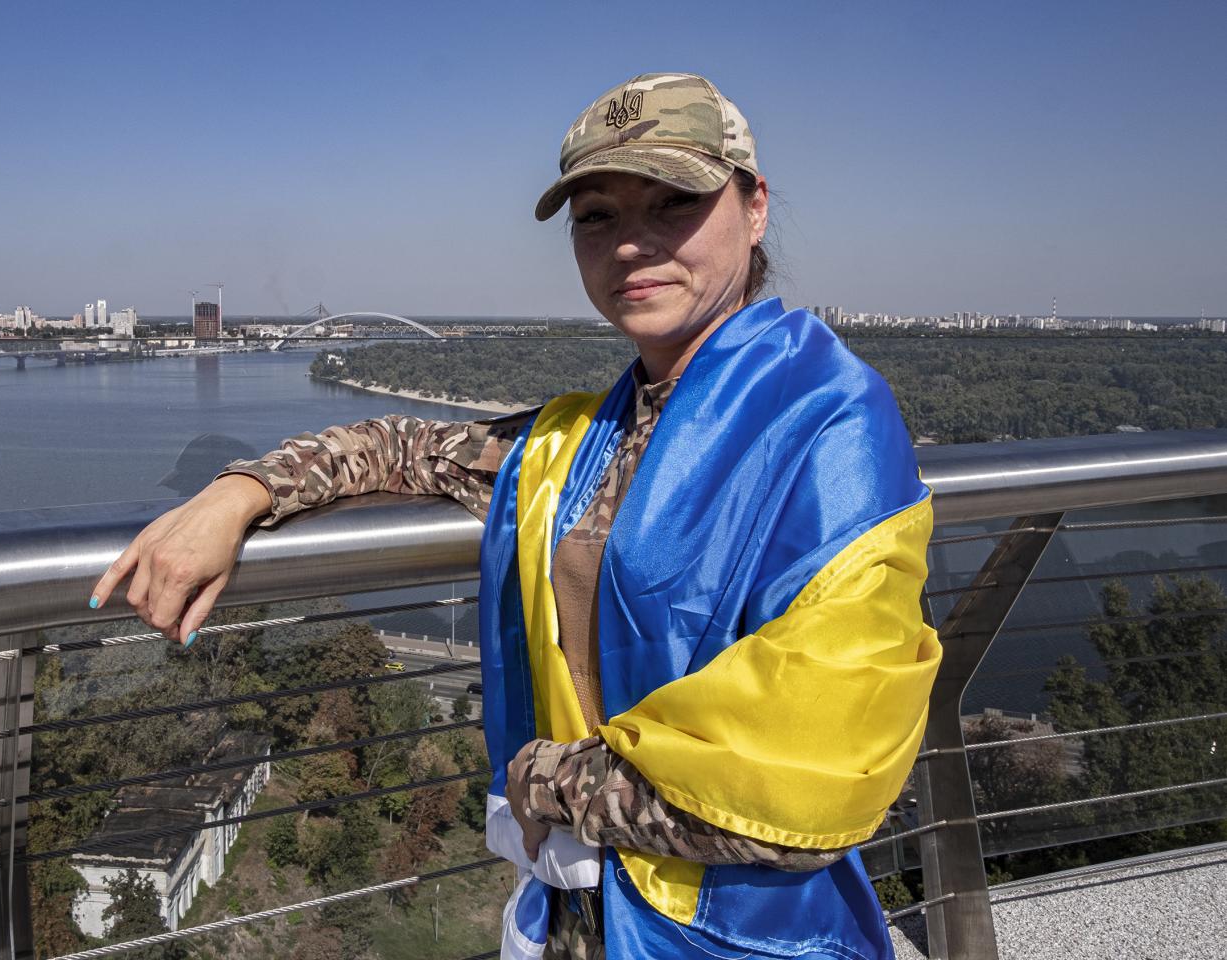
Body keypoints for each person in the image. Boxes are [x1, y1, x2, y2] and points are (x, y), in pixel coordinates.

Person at [92, 73, 940, 960]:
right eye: (597, 217)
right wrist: (239, 494)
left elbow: (820, 774)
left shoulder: (829, 422)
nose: (630, 246)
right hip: (584, 920)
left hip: (741, 937)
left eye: (673, 202)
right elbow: (403, 448)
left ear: (754, 207)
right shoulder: (579, 441)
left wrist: (545, 780)